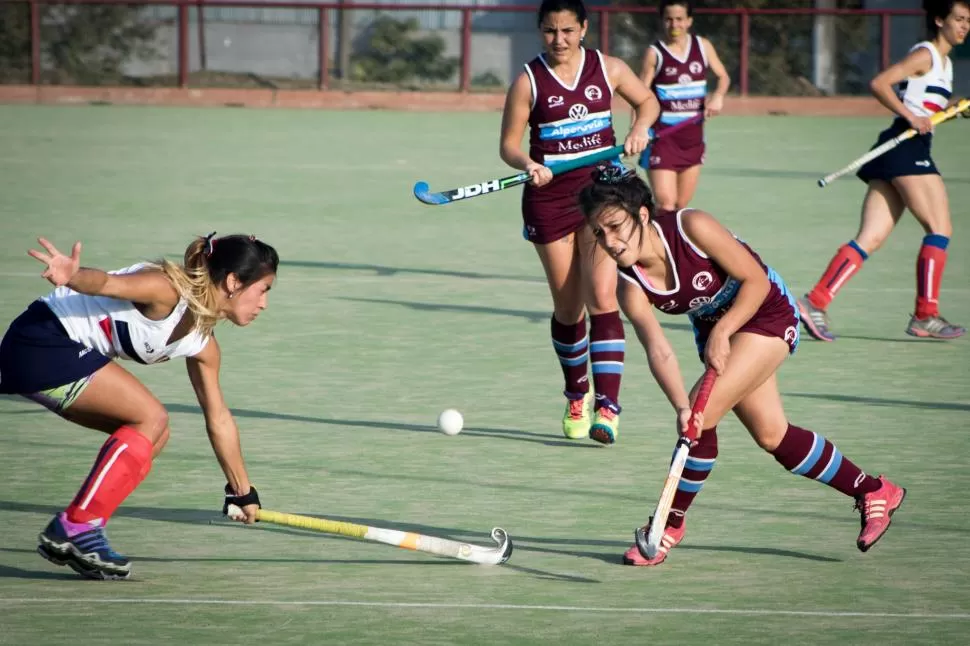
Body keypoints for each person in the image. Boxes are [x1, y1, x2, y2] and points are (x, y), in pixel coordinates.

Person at [576, 167, 905, 566]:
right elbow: (658, 350)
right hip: (719, 332)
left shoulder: (691, 226)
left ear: (642, 215)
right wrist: (681, 405)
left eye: (614, 226)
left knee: (705, 411)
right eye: (599, 233)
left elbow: (755, 281)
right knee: (772, 437)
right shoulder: (631, 285)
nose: (608, 242)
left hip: (766, 312)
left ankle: (666, 526)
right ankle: (872, 490)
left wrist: (723, 334)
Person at [0, 233, 278, 579]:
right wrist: (73, 275)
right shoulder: (166, 289)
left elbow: (219, 418)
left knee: (154, 436)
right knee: (150, 417)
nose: (264, 303)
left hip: (48, 356)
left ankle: (81, 529)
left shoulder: (203, 343)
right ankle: (76, 527)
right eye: (264, 289)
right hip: (41, 341)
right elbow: (104, 283)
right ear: (234, 281)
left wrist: (242, 491)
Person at [500, 0, 660, 444]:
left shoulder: (608, 68)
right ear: (540, 31)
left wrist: (639, 128)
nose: (559, 40)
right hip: (549, 199)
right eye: (550, 31)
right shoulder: (528, 81)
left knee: (603, 294)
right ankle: (577, 392)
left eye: (568, 30)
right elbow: (508, 146)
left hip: (601, 196)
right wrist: (529, 163)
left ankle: (608, 407)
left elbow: (647, 103)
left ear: (584, 28)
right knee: (568, 307)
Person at [798, 0, 968, 342]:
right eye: (959, 19)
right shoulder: (926, 55)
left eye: (968, 21)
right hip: (905, 147)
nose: (965, 26)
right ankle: (926, 314)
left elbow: (923, 106)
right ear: (939, 20)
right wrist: (911, 117)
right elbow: (880, 83)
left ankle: (814, 302)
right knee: (940, 229)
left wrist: (949, 111)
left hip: (902, 147)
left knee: (870, 238)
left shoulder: (945, 64)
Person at [637, 0, 730, 211]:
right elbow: (640, 96)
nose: (674, 24)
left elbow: (723, 76)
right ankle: (656, 242)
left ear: (689, 21)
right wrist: (638, 129)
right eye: (668, 19)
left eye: (679, 19)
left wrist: (718, 96)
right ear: (662, 21)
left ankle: (670, 242)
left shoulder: (703, 46)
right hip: (662, 138)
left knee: (681, 205)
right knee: (666, 204)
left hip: (693, 139)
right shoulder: (655, 53)